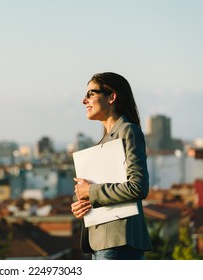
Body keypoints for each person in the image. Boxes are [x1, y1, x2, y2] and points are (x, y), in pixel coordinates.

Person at [71, 72, 152, 260]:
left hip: (118, 242)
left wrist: (91, 192)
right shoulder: (106, 141)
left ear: (112, 97)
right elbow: (102, 191)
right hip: (102, 243)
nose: (84, 100)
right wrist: (81, 205)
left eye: (91, 94)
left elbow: (138, 187)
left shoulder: (128, 131)